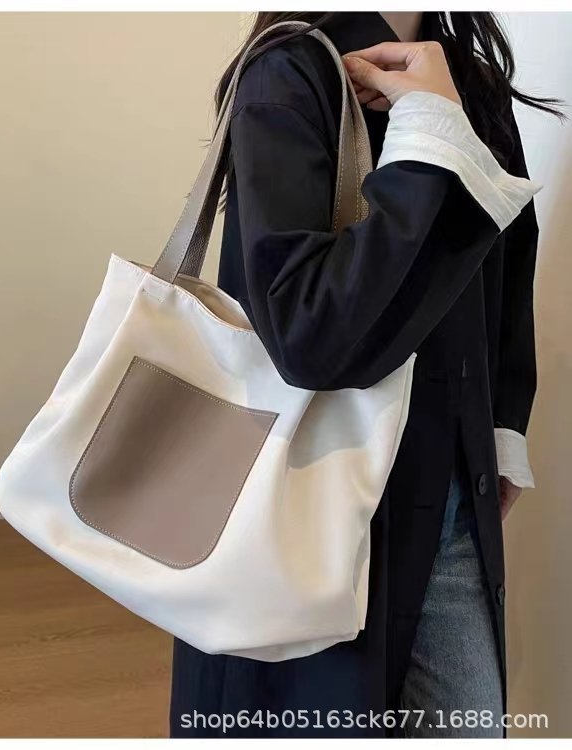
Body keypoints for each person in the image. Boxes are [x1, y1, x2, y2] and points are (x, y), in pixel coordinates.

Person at [169, 11, 561, 738]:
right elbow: (310, 338)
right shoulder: (291, 71)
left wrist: (502, 430)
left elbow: (508, 265)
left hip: (446, 495)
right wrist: (429, 136)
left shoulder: (468, 80)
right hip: (304, 501)